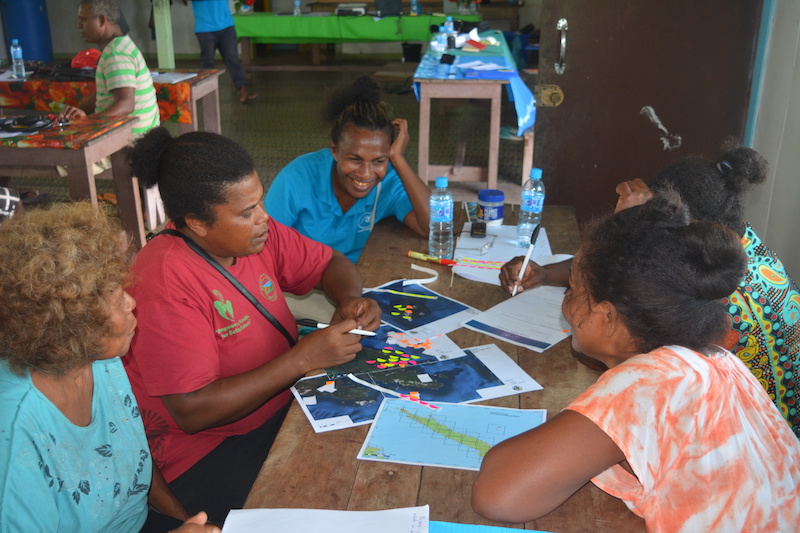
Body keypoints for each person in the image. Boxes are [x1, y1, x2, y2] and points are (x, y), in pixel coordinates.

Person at [472, 192, 800, 530]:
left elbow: (496, 495)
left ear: (608, 317)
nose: (566, 304)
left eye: (573, 291)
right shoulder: (714, 360)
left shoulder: (649, 382)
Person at [122, 127, 381, 523]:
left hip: (282, 409)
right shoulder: (164, 278)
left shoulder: (254, 236)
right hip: (207, 451)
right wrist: (301, 359)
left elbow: (331, 264)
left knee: (369, 457)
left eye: (258, 203)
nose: (263, 218)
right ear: (197, 222)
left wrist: (349, 299)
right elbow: (192, 411)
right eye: (247, 213)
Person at [500, 141, 800, 437]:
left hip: (758, 440)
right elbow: (626, 276)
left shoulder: (706, 295)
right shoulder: (739, 246)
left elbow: (612, 342)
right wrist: (542, 274)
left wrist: (624, 228)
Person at [0, 202, 219, 533]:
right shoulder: (17, 436)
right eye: (118, 300)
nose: (132, 303)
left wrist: (182, 519)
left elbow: (130, 453)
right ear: (72, 327)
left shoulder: (100, 359)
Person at [264, 76, 431, 264]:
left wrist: (398, 159)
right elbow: (264, 247)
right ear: (335, 150)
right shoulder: (296, 178)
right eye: (355, 159)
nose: (366, 173)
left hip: (360, 278)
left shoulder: (390, 180)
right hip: (300, 284)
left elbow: (434, 228)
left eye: (378, 161)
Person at [61, 0, 160, 137]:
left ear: (102, 20)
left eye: (83, 19)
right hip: (145, 134)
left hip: (134, 140)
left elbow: (126, 104)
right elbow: (104, 92)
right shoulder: (120, 46)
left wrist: (89, 122)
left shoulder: (115, 54)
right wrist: (79, 110)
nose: (79, 25)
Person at [180, 0, 257, 104]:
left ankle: (244, 94)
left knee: (233, 60)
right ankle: (208, 97)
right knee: (208, 64)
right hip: (205, 28)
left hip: (226, 25)